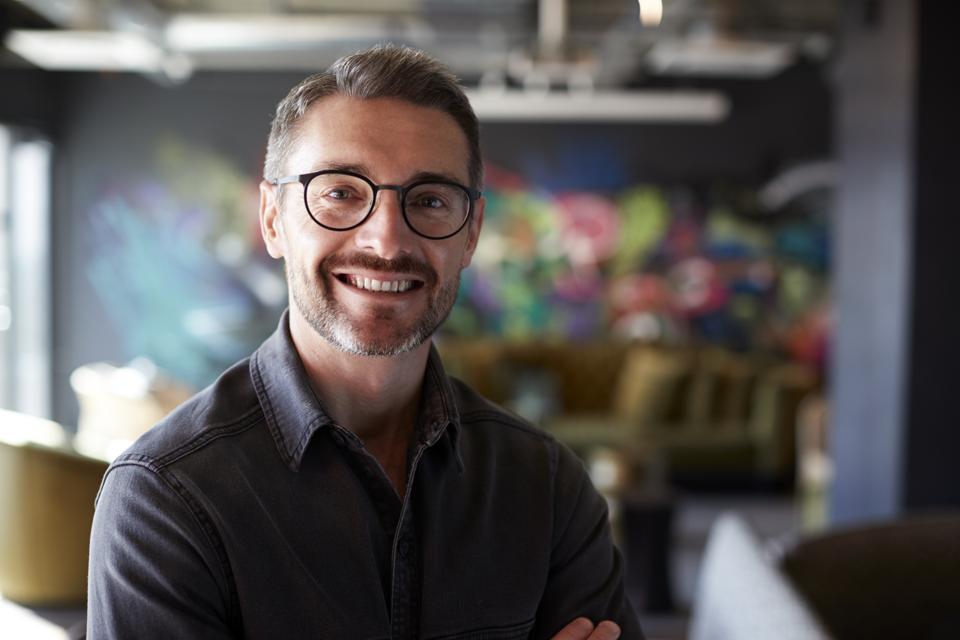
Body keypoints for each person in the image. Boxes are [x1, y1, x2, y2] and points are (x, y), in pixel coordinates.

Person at [86, 44, 643, 640]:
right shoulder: (166, 499)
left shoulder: (547, 486)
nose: (385, 240)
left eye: (429, 200)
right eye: (341, 192)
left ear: (471, 233)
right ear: (273, 219)